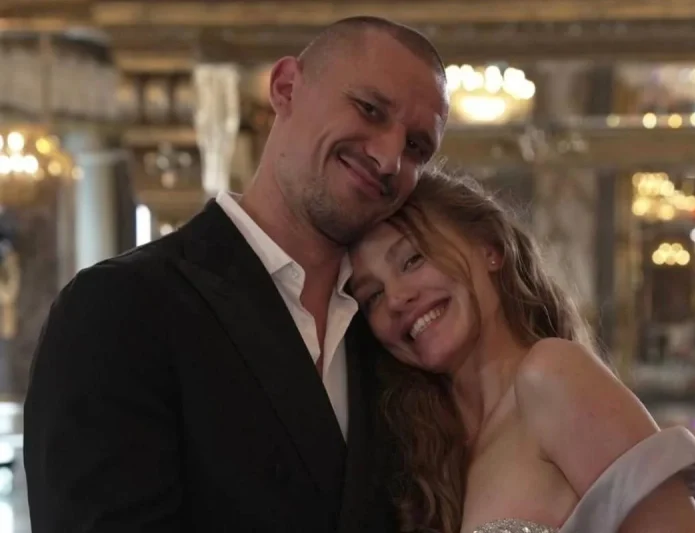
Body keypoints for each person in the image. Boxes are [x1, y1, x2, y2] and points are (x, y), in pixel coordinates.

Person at [24, 16, 449, 533]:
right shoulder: (119, 306)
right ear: (286, 87)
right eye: (370, 109)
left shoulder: (393, 335)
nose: (388, 159)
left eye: (416, 147)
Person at [348, 170, 695, 533]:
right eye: (373, 295)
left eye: (412, 260)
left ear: (490, 249)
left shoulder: (551, 376)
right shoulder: (421, 447)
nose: (396, 298)